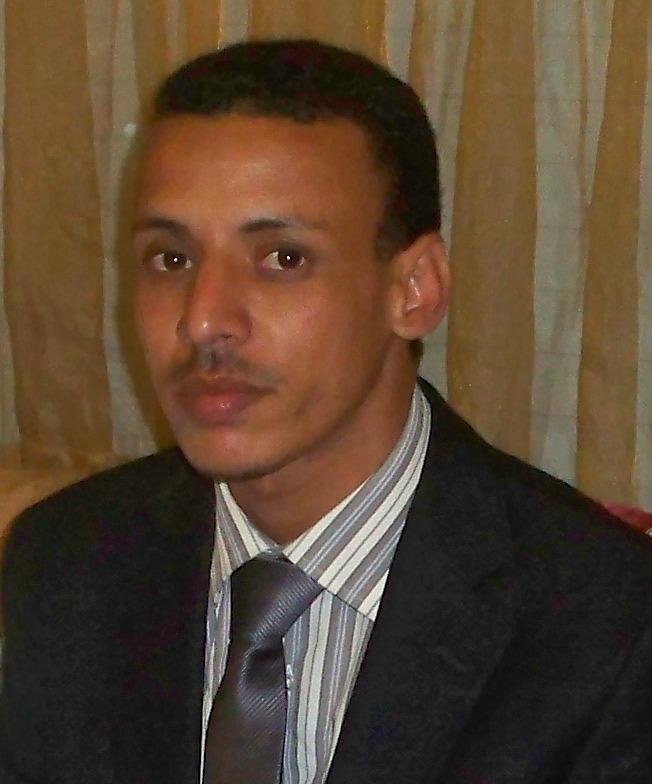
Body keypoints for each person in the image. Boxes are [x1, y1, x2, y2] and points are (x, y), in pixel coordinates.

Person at [1, 39, 651, 784]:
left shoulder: (607, 626)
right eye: (170, 259)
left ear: (414, 290)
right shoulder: (68, 560)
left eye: (283, 258)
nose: (202, 320)